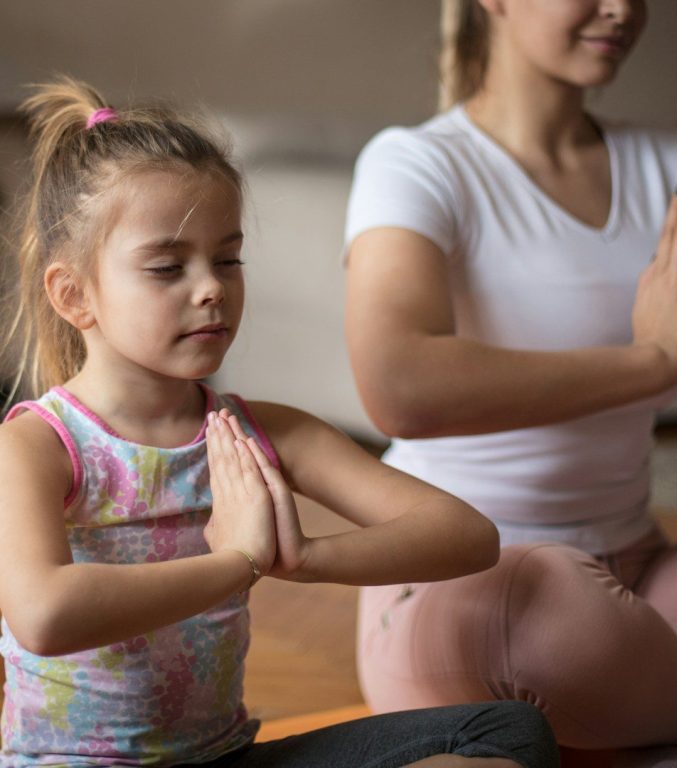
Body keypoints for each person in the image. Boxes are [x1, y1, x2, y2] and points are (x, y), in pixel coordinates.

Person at [0, 77, 560, 768]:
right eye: (168, 266)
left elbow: (467, 537)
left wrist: (303, 558)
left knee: (506, 734)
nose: (211, 287)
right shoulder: (36, 445)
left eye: (227, 258)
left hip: (225, 755)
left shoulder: (265, 433)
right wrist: (235, 562)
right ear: (74, 294)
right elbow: (44, 613)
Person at [343, 1, 677, 766]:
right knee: (545, 604)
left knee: (585, 616)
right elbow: (399, 382)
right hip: (464, 596)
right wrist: (655, 360)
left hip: (640, 589)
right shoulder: (414, 163)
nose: (623, 9)